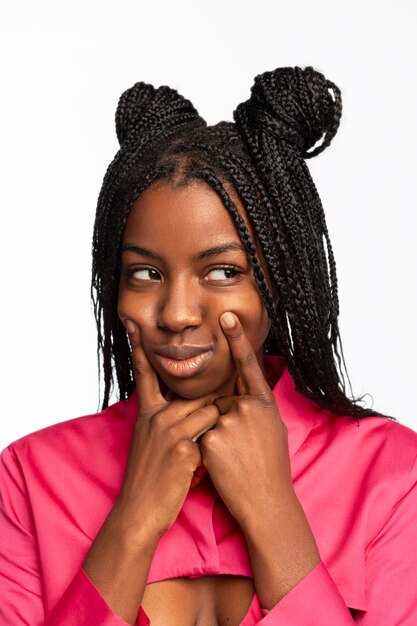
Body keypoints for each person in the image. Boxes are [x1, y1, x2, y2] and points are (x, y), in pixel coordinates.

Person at [1, 66, 417, 626]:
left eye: (222, 271)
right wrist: (131, 522)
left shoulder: (393, 476)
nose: (175, 314)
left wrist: (275, 514)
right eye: (144, 273)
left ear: (280, 279)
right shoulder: (30, 478)